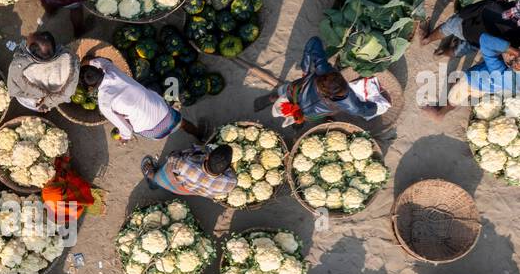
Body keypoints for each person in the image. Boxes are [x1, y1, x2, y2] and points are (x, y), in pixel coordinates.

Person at [253, 36, 382, 127]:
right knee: (291, 105)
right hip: (306, 104)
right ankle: (287, 112)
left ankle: (273, 104)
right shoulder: (349, 102)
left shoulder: (323, 70)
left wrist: (306, 68)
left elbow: (314, 42)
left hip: (299, 96)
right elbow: (364, 110)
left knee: (286, 97)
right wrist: (375, 107)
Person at [80, 58, 206, 142]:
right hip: (165, 112)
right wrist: (85, 63)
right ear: (100, 70)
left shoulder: (104, 103)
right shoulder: (111, 70)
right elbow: (98, 61)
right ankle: (199, 134)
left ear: (91, 88)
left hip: (153, 131)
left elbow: (127, 130)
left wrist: (124, 138)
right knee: (182, 123)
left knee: (127, 117)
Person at [435, 35, 520, 114]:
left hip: (471, 80)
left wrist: (514, 51)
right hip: (487, 88)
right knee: (475, 91)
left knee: (455, 97)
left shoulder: (498, 68)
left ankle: (442, 112)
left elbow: (485, 39)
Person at [426, 0, 520, 57]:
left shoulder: (492, 6)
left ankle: (427, 40)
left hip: (466, 29)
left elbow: (463, 13)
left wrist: (495, 0)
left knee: (450, 25)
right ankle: (443, 53)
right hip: (479, 43)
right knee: (460, 50)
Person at [7, 31, 79, 112]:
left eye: (28, 38)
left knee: (31, 104)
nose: (29, 34)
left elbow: (13, 89)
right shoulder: (70, 59)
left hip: (30, 98)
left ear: (31, 52)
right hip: (49, 100)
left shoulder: (18, 65)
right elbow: (67, 93)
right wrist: (47, 103)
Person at [141, 143, 237, 201]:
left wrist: (200, 150)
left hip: (182, 184)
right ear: (227, 168)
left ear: (207, 156)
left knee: (162, 176)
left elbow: (171, 158)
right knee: (181, 187)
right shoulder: (231, 183)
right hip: (193, 191)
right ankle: (172, 191)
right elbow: (231, 172)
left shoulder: (184, 164)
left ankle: (152, 178)